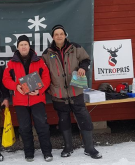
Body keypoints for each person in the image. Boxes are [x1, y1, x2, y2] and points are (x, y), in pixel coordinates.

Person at [42, 25, 102, 159]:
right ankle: (68, 147)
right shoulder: (47, 53)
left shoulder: (75, 48)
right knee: (64, 121)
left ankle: (89, 148)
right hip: (58, 94)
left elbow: (86, 60)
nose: (59, 36)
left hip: (76, 91)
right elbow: (43, 72)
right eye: (56, 34)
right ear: (53, 37)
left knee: (84, 119)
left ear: (65, 35)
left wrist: (82, 68)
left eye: (61, 34)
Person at [2, 35, 53, 162]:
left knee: (42, 126)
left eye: (25, 44)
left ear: (29, 46)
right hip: (20, 101)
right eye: (21, 45)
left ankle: (47, 152)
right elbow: (5, 79)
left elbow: (46, 77)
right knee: (24, 128)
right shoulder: (11, 63)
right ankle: (29, 153)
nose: (23, 47)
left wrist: (39, 90)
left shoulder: (39, 61)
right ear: (17, 47)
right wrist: (15, 87)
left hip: (37, 99)